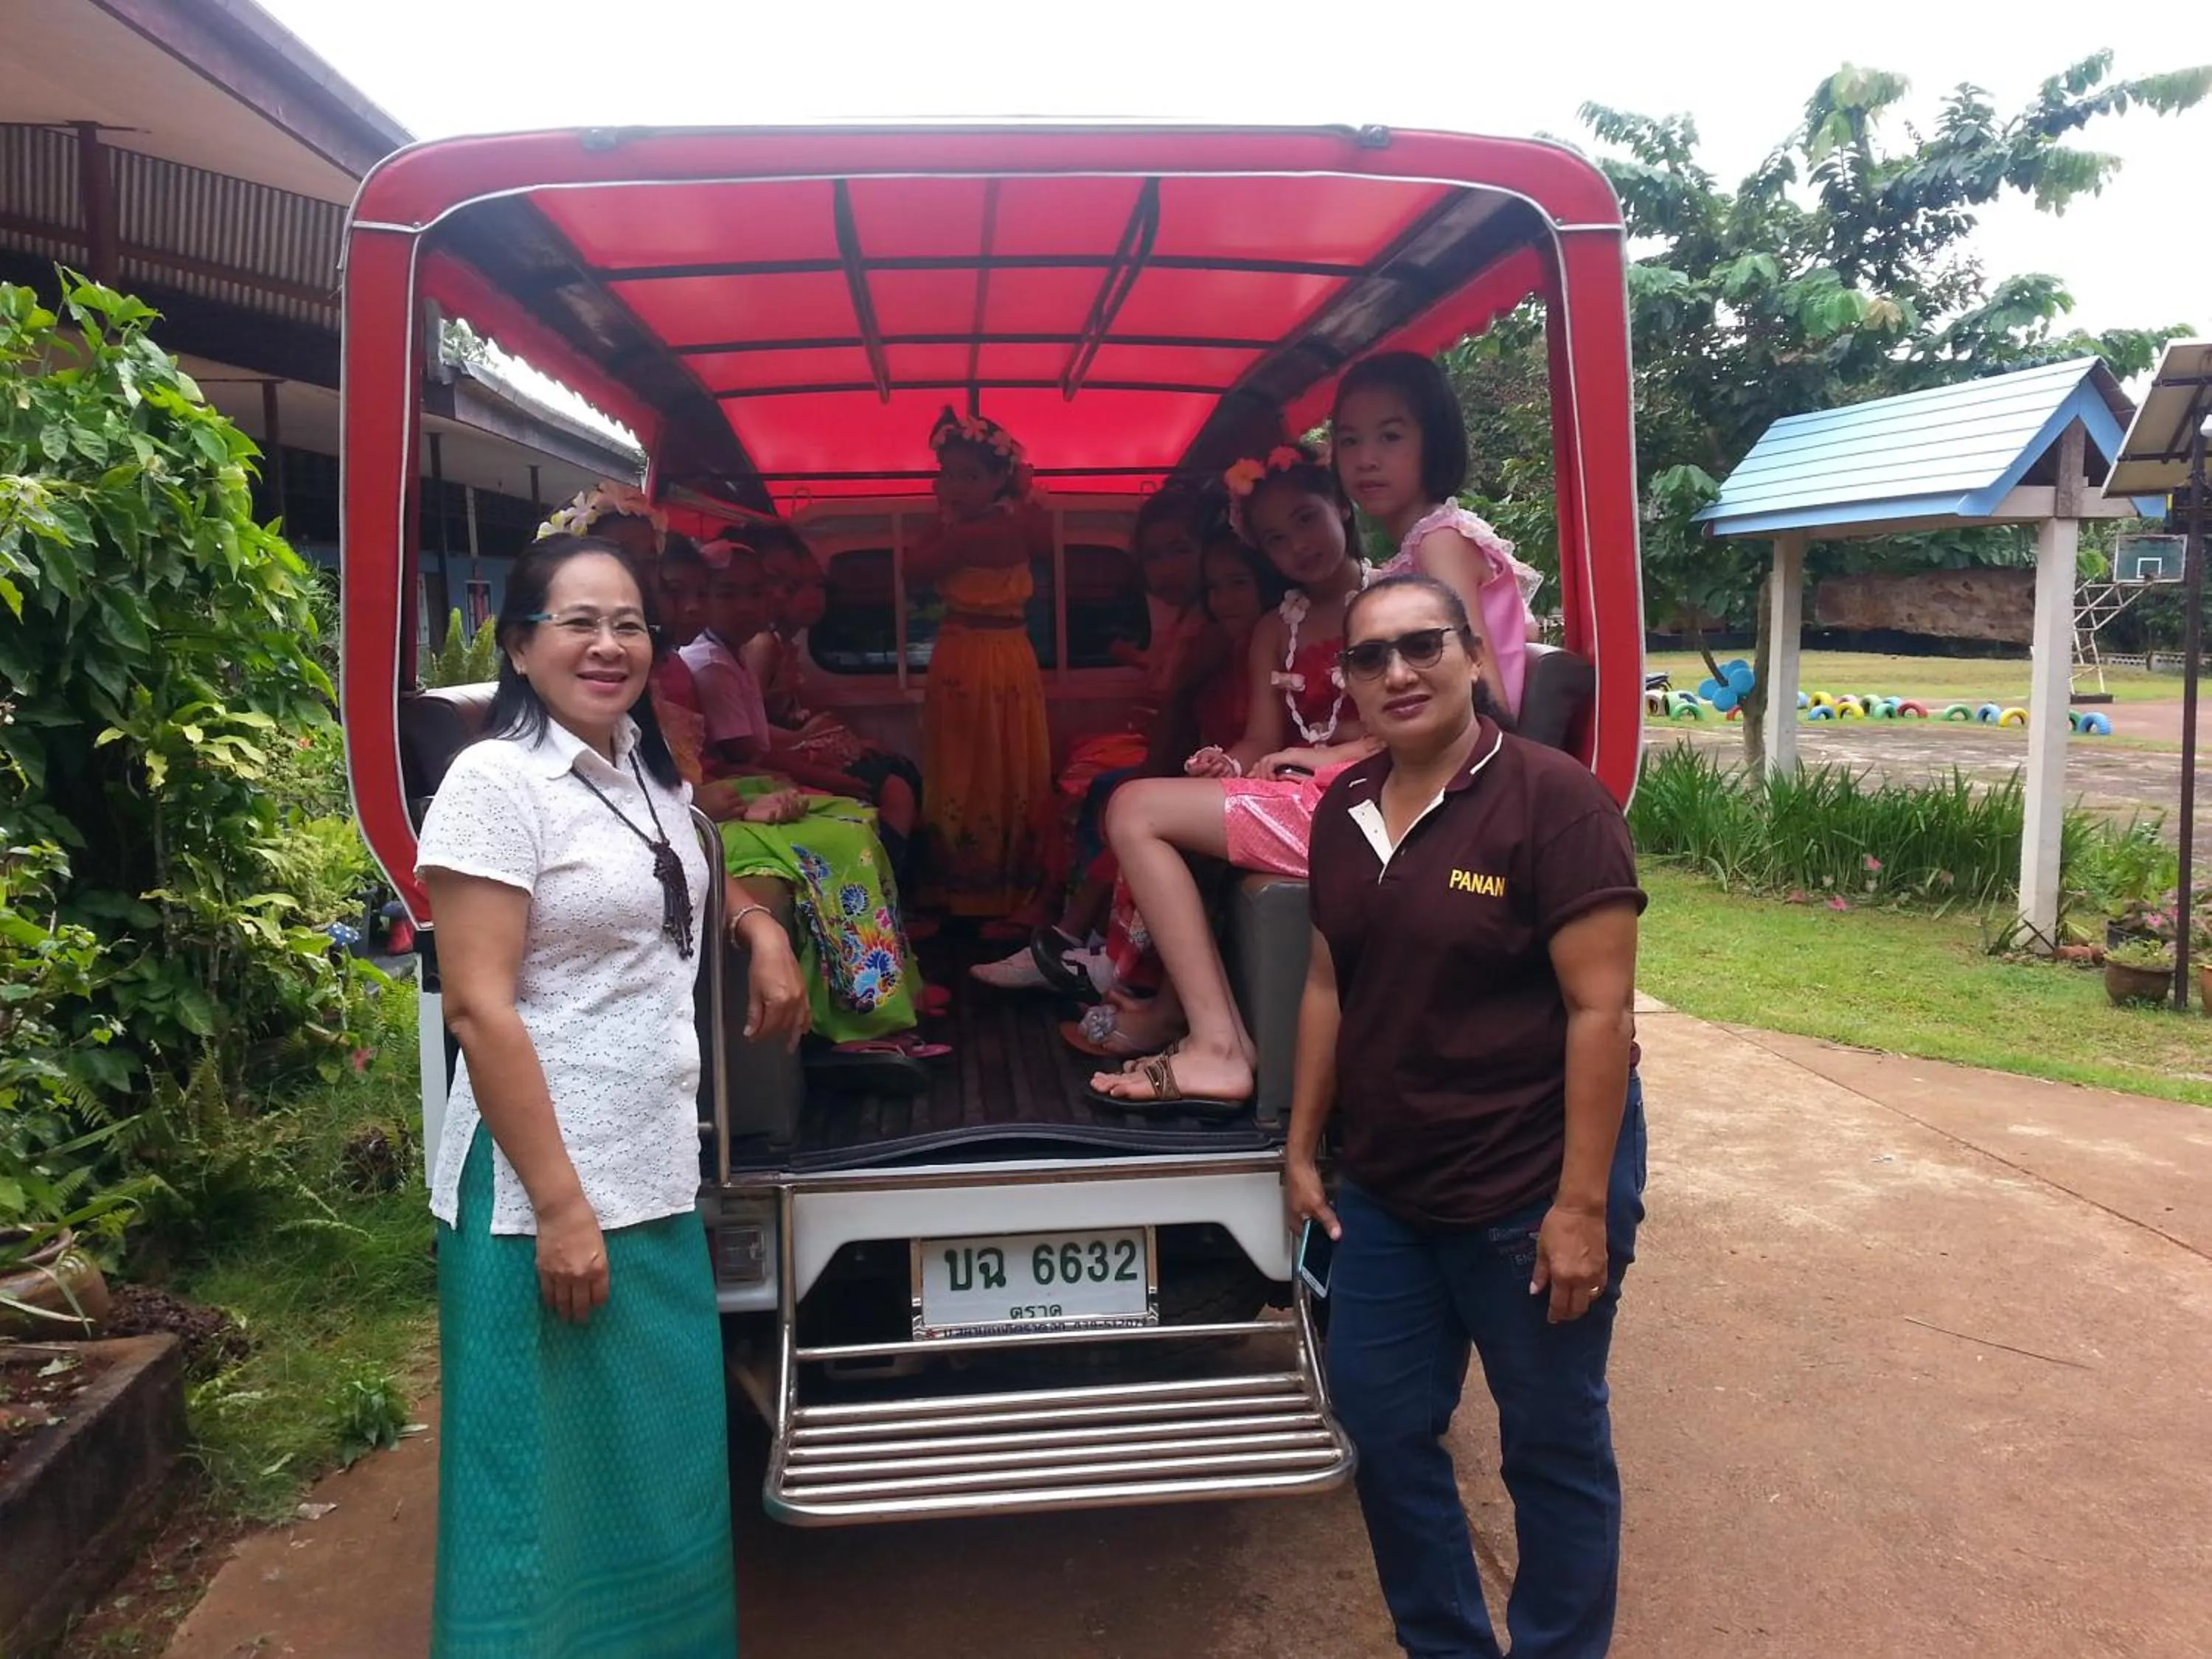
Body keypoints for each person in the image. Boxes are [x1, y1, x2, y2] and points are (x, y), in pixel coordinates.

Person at [416, 534, 807, 1658]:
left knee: (658, 1468)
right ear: (521, 644)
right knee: (540, 1490)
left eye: (629, 622)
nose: (608, 644)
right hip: (548, 1189)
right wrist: (560, 1208)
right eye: (578, 621)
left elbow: (685, 861)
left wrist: (759, 923)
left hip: (652, 1167)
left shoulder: (643, 761)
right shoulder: (498, 782)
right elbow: (481, 1010)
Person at [1288, 572, 1646, 1659]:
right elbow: (1326, 986)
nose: (1398, 672)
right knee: (1384, 1426)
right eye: (1369, 656)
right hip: (1391, 1187)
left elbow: (1601, 1010)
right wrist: (1303, 1143)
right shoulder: (1344, 810)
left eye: (1422, 645)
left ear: (1477, 655)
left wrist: (1581, 1207)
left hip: (1528, 1184)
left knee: (1549, 1445)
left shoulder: (1553, 800)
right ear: (1347, 681)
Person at [1085, 445, 1380, 1105]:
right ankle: (1179, 1014)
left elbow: (1414, 725)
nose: (1297, 545)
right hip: (1303, 797)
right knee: (1138, 804)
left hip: (1369, 803)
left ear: (1341, 505)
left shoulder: (1391, 601)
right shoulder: (1279, 629)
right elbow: (1263, 739)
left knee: (1133, 807)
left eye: (1307, 519)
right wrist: (1231, 764)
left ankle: (1216, 1045)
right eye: (1276, 538)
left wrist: (1328, 758)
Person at [1332, 351, 1544, 719]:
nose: (1366, 459)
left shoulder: (1440, 543)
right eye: (1349, 441)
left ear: (1435, 441)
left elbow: (1484, 698)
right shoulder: (1425, 542)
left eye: (1390, 436)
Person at [910, 406, 1056, 922]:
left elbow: (914, 568)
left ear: (1001, 479)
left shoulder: (984, 530)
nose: (955, 486)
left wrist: (939, 516)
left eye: (970, 476)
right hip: (977, 655)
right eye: (948, 474)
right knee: (973, 762)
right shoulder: (995, 521)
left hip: (986, 660)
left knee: (987, 764)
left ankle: (990, 887)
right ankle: (969, 884)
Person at [741, 521, 925, 880]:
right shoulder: (760, 645)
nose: (809, 596)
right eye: (791, 585)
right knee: (893, 789)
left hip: (798, 744)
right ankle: (883, 887)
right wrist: (814, 742)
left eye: (817, 585)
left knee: (900, 768)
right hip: (786, 751)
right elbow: (756, 735)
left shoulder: (784, 644)